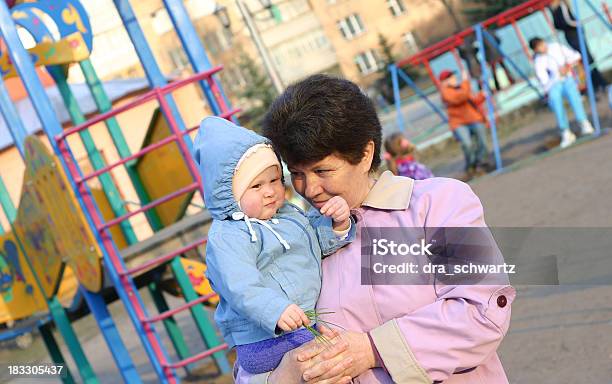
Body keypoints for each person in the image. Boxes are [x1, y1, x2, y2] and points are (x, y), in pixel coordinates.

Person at [234, 74, 515, 384]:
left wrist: (371, 349)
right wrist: (284, 376)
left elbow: (481, 311)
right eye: (297, 173)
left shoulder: (437, 205)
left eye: (322, 170)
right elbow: (252, 348)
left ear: (365, 154)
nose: (309, 188)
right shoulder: (294, 240)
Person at [192, 116, 356, 374]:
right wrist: (275, 309)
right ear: (230, 194)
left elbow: (314, 246)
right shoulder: (229, 236)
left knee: (336, 350)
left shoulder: (287, 215)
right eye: (256, 186)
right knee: (333, 353)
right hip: (264, 338)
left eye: (275, 180)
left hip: (297, 325)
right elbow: (239, 286)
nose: (270, 191)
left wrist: (337, 225)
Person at [529, 37, 595, 148]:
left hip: (568, 78)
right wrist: (557, 75)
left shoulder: (556, 47)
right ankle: (565, 131)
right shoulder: (538, 61)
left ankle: (584, 123)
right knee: (556, 102)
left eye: (542, 44)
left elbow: (575, 56)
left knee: (574, 98)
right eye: (539, 47)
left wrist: (568, 66)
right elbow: (544, 81)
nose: (542, 47)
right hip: (554, 85)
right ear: (536, 50)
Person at [438, 69, 491, 178]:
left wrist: (482, 95)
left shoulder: (462, 88)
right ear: (444, 82)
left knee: (482, 141)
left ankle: (481, 162)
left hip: (473, 118)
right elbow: (459, 98)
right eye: (450, 78)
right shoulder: (445, 92)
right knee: (467, 144)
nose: (454, 79)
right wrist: (466, 81)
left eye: (453, 76)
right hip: (458, 122)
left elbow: (473, 100)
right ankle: (471, 165)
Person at [549, 0, 608, 93]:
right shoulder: (561, 5)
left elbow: (558, 24)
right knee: (587, 59)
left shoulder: (554, 8)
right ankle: (598, 83)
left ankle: (597, 83)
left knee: (585, 60)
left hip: (570, 35)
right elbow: (567, 20)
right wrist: (578, 24)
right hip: (574, 34)